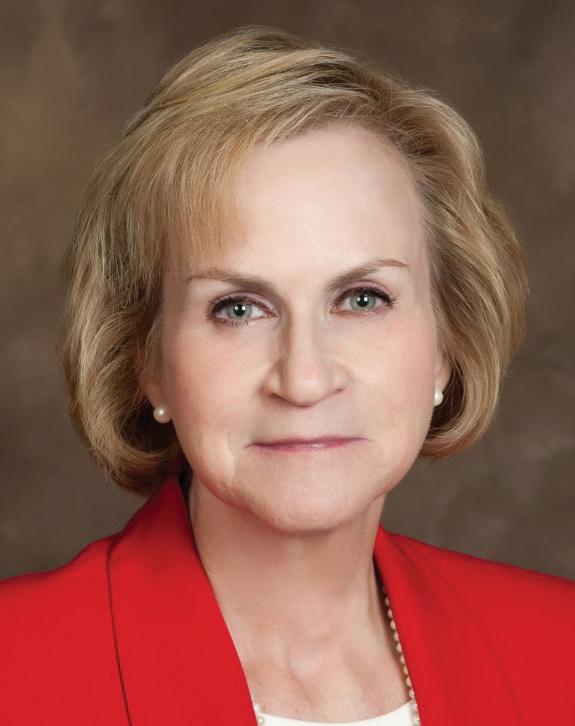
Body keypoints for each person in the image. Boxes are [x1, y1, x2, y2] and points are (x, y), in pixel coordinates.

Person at [1, 23, 573, 726]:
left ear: (445, 345)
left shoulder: (560, 649)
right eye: (238, 308)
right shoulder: (14, 667)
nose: (303, 379)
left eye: (362, 299)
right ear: (147, 360)